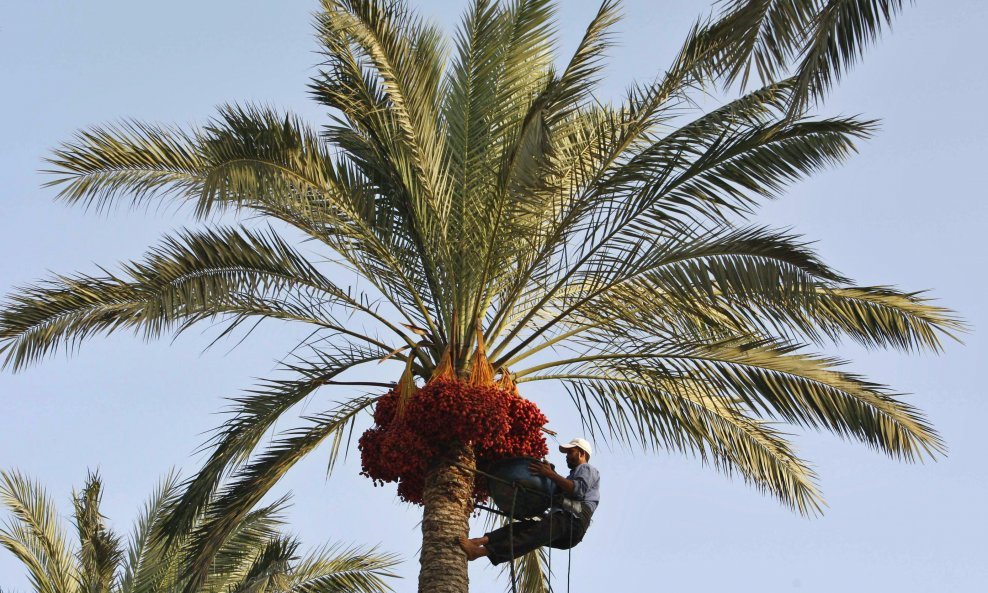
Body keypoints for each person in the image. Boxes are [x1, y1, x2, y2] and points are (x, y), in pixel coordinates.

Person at [459, 437, 600, 565]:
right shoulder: (571, 476)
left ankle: (479, 552)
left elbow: (577, 490)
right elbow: (560, 494)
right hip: (567, 527)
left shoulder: (587, 469)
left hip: (572, 522)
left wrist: (550, 474)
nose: (567, 456)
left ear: (582, 453)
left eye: (571, 452)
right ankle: (477, 542)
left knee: (528, 538)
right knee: (518, 529)